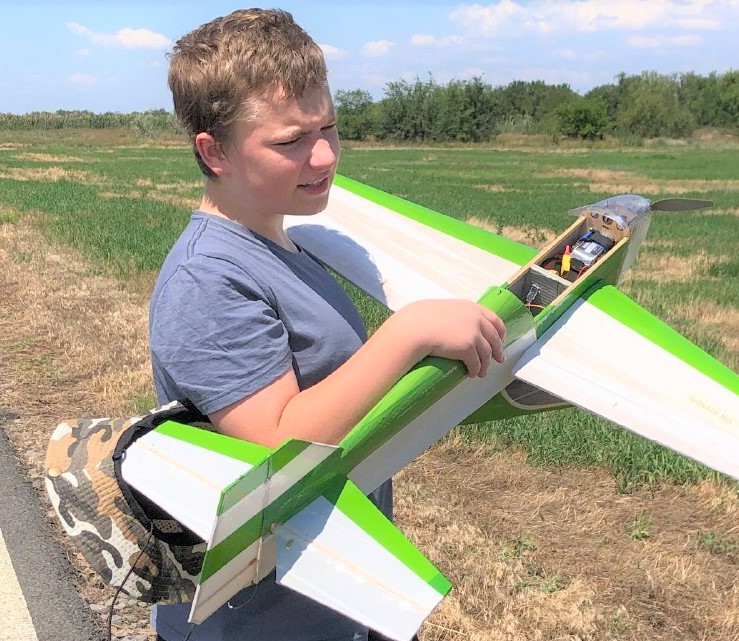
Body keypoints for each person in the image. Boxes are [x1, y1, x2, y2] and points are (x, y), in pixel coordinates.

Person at [148, 8, 506, 641]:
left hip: (324, 596)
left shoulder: (287, 241)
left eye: (330, 127)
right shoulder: (208, 278)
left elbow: (345, 403)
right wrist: (409, 334)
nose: (324, 155)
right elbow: (277, 448)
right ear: (213, 151)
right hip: (259, 622)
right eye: (290, 141)